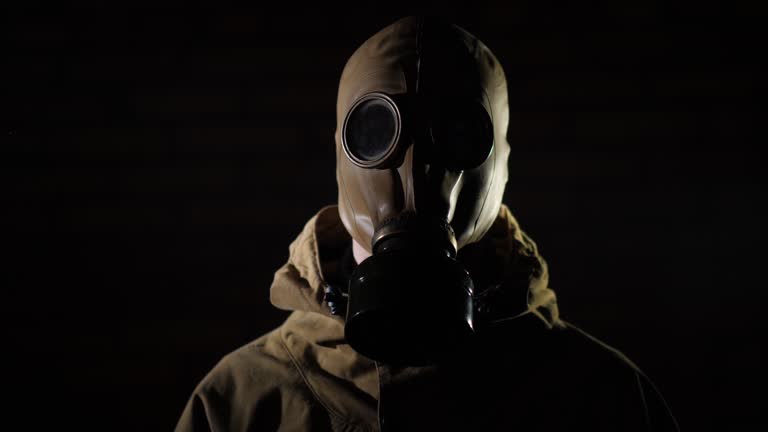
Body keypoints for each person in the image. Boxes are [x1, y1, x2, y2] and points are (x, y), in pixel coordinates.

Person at [176, 17, 679, 431]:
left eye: (459, 133)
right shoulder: (240, 404)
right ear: (340, 156)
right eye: (377, 132)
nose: (415, 169)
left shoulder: (604, 403)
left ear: (501, 164)